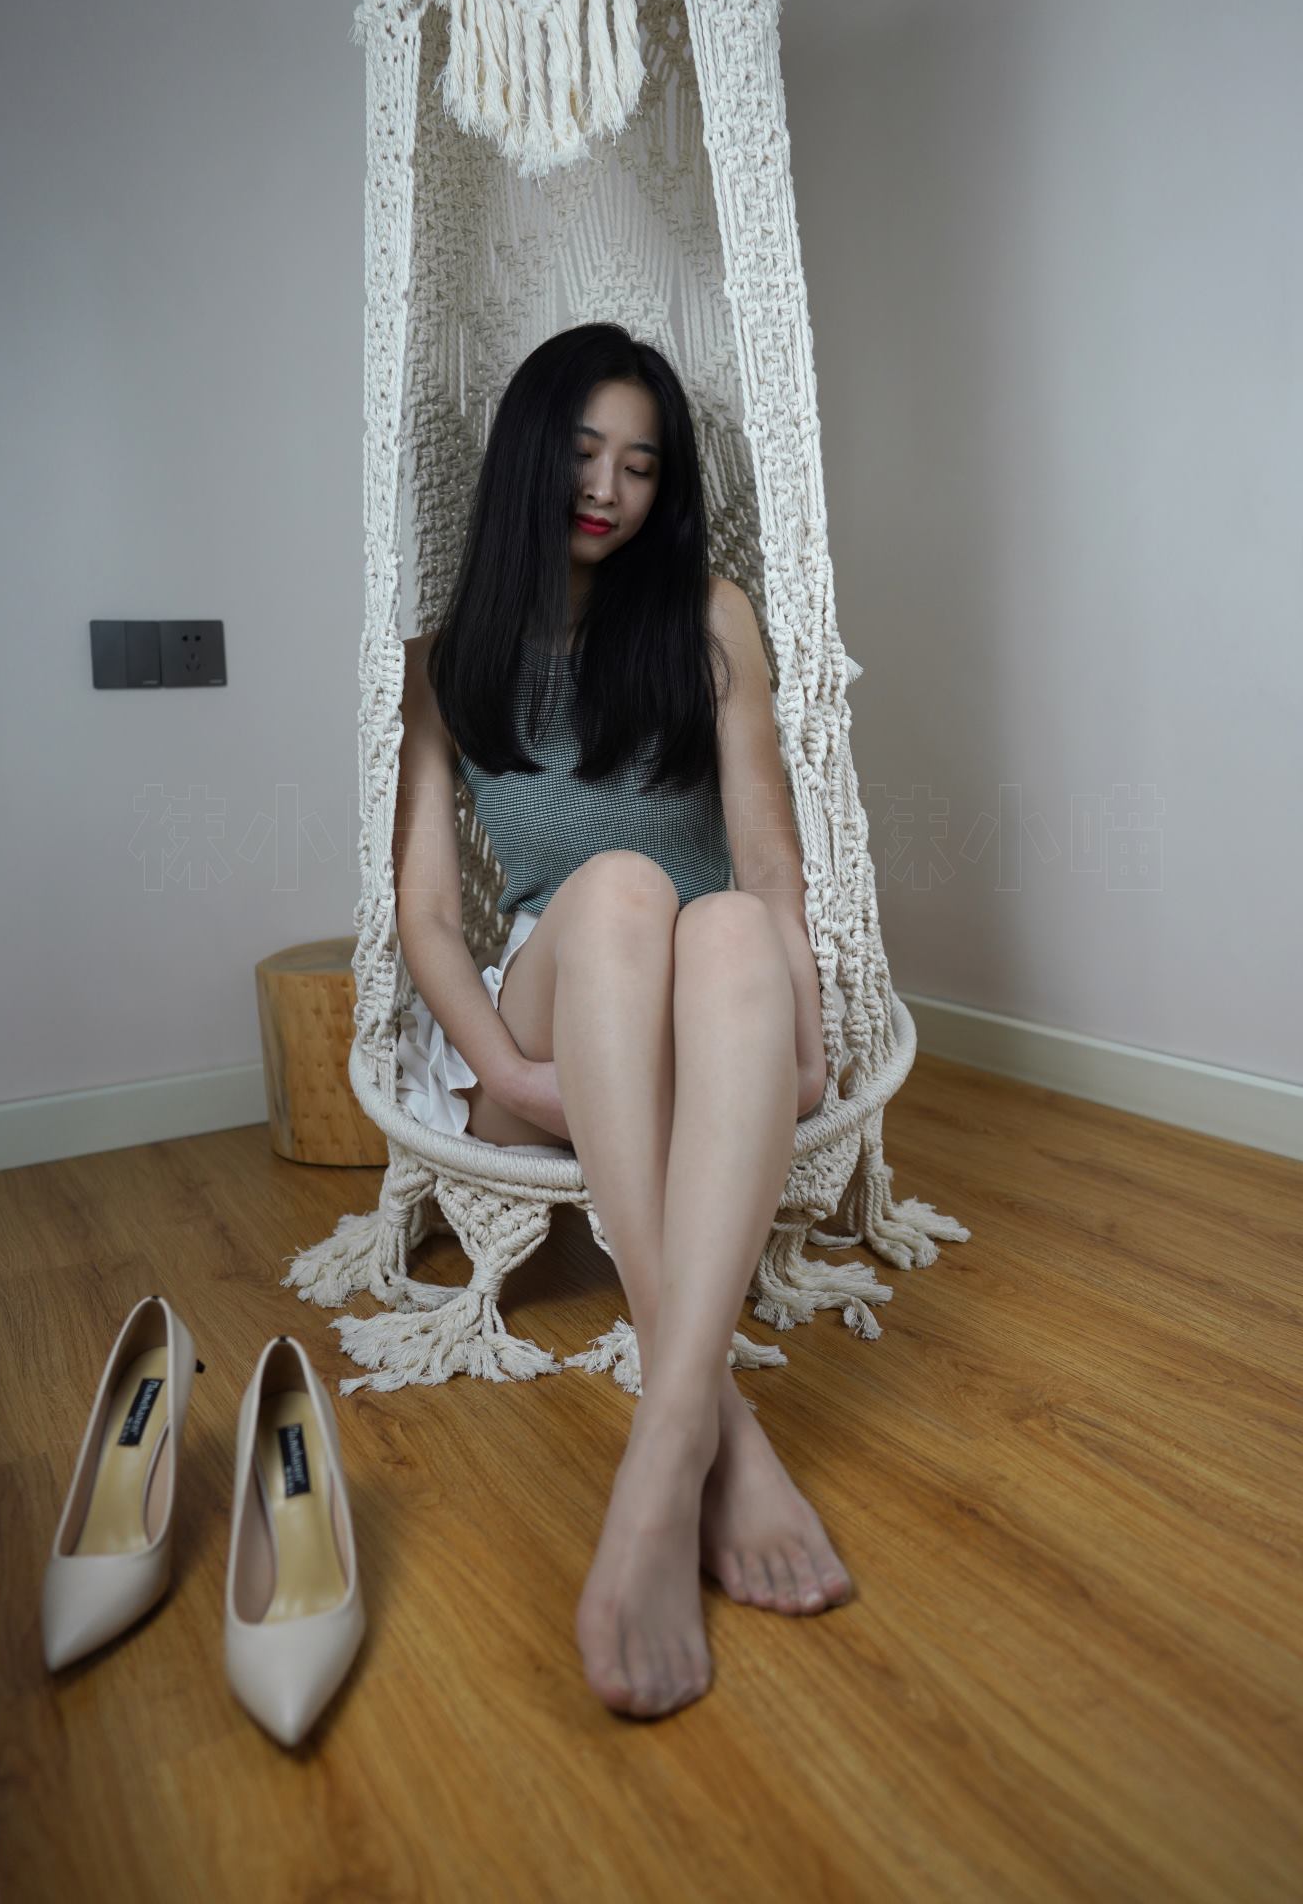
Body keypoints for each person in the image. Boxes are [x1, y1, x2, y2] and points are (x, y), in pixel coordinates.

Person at [393, 321, 854, 1723]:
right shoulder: (444, 655)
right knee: (617, 890)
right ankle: (713, 1436)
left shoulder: (707, 615)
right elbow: (427, 916)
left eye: (642, 466)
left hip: (710, 1005)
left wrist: (801, 1014)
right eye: (585, 454)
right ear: (532, 457)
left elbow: (764, 858)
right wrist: (507, 1072)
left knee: (723, 920)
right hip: (554, 1008)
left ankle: (666, 1453)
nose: (608, 487)